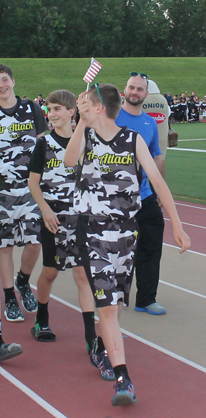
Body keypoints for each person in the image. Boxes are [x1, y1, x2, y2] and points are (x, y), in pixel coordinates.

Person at [64, 83, 190, 406]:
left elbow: (158, 182)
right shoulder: (86, 137)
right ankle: (124, 379)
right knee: (106, 307)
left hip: (126, 235)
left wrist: (176, 224)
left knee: (115, 307)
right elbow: (68, 160)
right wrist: (79, 121)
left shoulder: (132, 141)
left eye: (86, 106)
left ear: (99, 108)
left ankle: (102, 347)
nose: (83, 110)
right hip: (92, 232)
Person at [28, 90, 113, 380]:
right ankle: (41, 317)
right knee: (50, 272)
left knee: (82, 274)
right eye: (48, 109)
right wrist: (44, 210)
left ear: (70, 113)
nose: (51, 113)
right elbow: (34, 183)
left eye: (56, 109)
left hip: (81, 218)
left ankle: (91, 337)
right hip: (54, 218)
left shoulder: (86, 141)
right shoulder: (43, 144)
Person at [0, 64, 48, 322]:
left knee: (35, 241)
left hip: (30, 188)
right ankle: (9, 296)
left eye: (4, 80)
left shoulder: (32, 108)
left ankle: (23, 280)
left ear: (13, 81)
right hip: (1, 191)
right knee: (5, 246)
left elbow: (43, 143)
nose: (1, 85)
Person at [115, 73, 168, 315]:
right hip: (115, 198)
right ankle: (109, 294)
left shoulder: (149, 123)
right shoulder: (111, 117)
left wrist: (161, 191)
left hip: (144, 196)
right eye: (131, 87)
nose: (135, 92)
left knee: (150, 246)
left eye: (140, 89)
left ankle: (146, 299)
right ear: (124, 90)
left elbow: (157, 157)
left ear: (146, 94)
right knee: (115, 248)